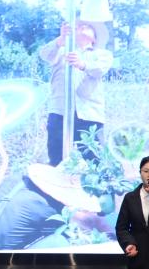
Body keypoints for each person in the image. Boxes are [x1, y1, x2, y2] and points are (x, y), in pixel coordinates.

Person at [38, 20, 113, 166]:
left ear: (95, 38)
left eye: (88, 27)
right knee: (56, 157)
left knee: (95, 158)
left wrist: (82, 64)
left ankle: (98, 179)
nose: (82, 28)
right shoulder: (61, 51)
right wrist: (61, 39)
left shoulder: (102, 54)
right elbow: (44, 54)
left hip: (89, 112)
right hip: (60, 110)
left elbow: (99, 70)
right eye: (78, 27)